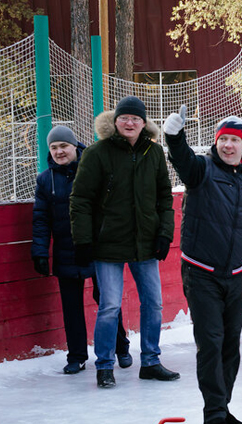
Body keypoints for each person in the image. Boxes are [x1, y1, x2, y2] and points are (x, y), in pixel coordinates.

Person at [162, 106, 242, 424]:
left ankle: (223, 404)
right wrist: (174, 137)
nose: (228, 146)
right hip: (201, 272)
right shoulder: (201, 170)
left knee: (231, 345)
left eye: (234, 140)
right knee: (211, 343)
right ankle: (214, 412)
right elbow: (183, 160)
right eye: (223, 139)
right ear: (216, 143)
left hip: (235, 275)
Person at [70, 96, 178, 389]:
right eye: (124, 118)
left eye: (135, 119)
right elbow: (80, 200)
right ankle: (104, 366)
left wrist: (164, 233)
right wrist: (83, 241)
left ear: (144, 123)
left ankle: (152, 361)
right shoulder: (97, 153)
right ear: (115, 121)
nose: (129, 123)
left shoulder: (153, 154)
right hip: (108, 244)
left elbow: (164, 197)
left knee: (153, 304)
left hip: (145, 243)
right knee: (109, 306)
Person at [32, 125, 131, 375]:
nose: (59, 151)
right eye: (53, 147)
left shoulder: (92, 169)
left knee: (107, 301)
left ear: (74, 146)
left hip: (98, 249)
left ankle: (121, 347)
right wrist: (40, 252)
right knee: (71, 306)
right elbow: (41, 219)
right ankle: (76, 356)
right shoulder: (45, 180)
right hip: (66, 251)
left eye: (63, 146)